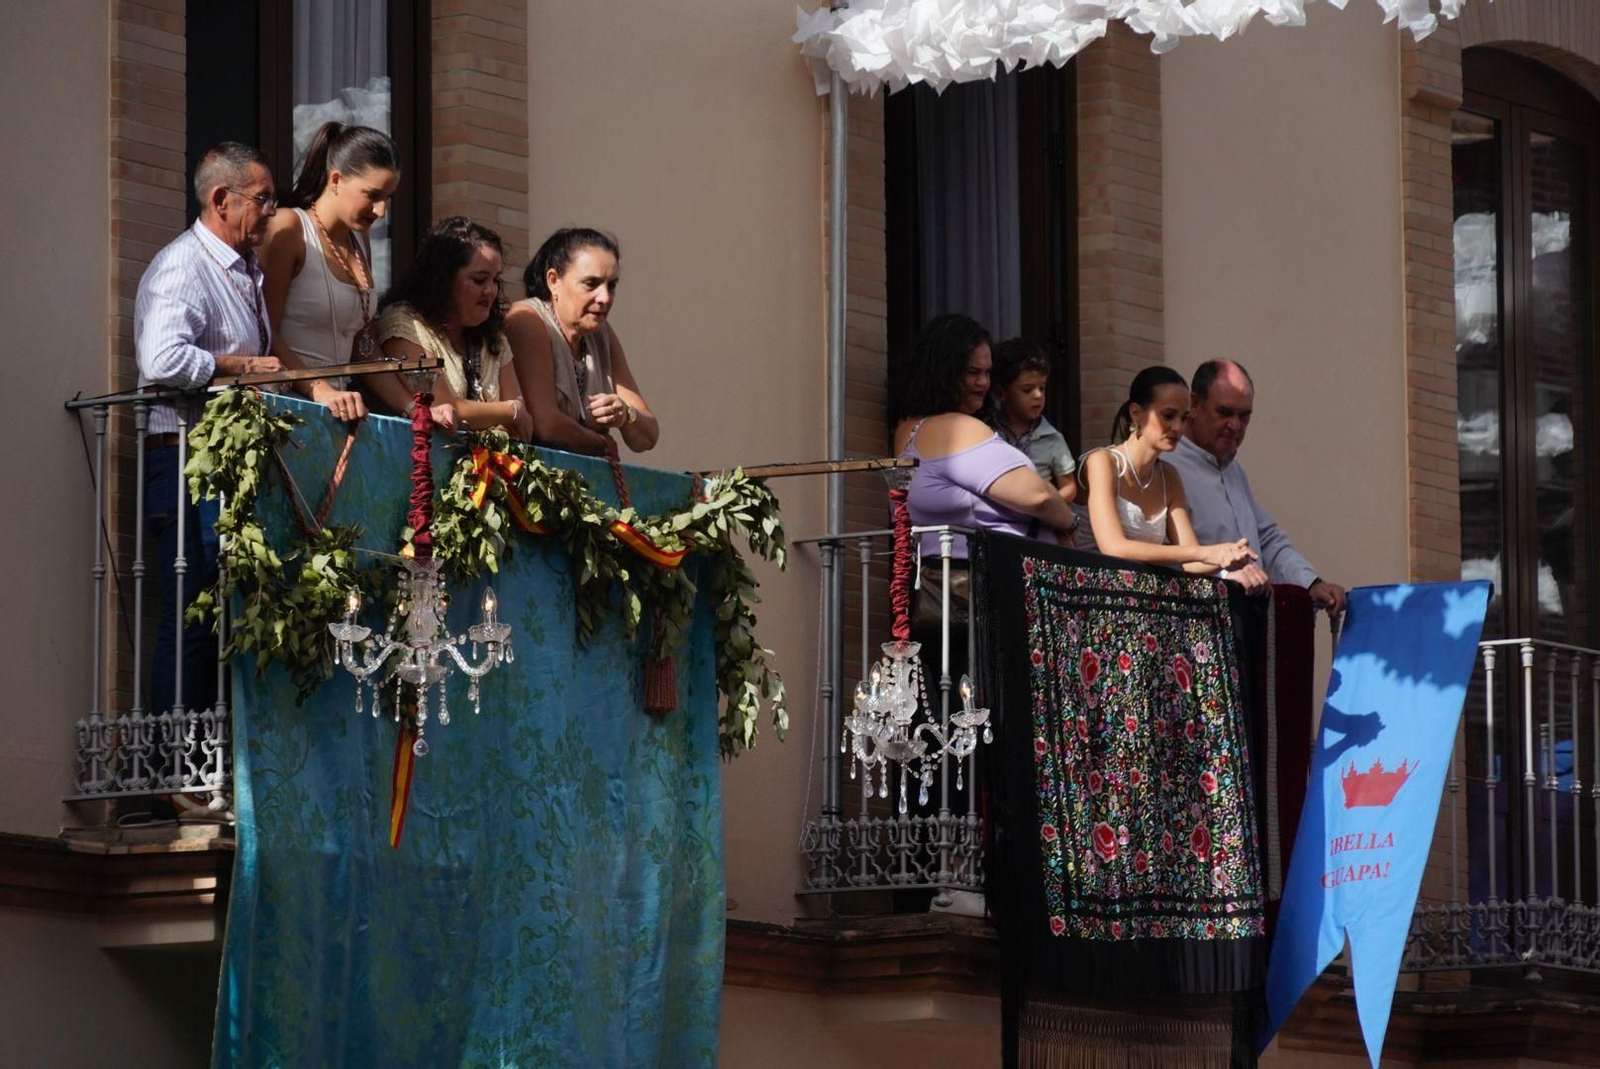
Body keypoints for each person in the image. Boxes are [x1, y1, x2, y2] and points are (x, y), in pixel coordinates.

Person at [134, 142, 284, 716]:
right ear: (222, 199)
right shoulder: (183, 266)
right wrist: (242, 367)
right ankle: (173, 757)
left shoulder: (244, 269)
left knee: (220, 613)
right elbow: (161, 359)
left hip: (221, 463)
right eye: (263, 199)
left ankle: (210, 752)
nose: (272, 211)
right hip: (184, 461)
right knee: (193, 615)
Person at [1168, 359, 1348, 614]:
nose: (1235, 425)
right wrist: (1225, 577)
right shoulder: (1167, 467)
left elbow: (1266, 540)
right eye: (1225, 412)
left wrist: (1311, 583)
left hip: (1247, 620)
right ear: (1194, 404)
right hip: (1196, 621)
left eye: (1244, 416)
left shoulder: (1233, 470)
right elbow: (1165, 557)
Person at [892, 315, 1077, 564]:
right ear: (943, 372)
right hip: (995, 576)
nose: (983, 382)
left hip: (956, 572)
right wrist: (1069, 524)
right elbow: (1038, 497)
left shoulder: (908, 428)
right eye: (973, 372)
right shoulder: (954, 428)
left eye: (987, 372)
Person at [260, 122, 401, 421]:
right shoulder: (289, 228)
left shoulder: (359, 239)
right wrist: (319, 389)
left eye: (388, 197)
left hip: (338, 412)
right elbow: (263, 332)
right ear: (336, 179)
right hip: (286, 410)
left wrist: (415, 408)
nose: (381, 211)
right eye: (373, 195)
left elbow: (363, 348)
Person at [1077, 366, 1256, 575]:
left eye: (1184, 418)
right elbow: (1114, 547)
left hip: (1135, 591)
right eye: (1168, 416)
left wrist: (1226, 556)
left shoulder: (1168, 476)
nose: (1178, 427)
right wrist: (1204, 553)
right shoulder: (1102, 462)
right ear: (1136, 414)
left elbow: (1190, 562)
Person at [370, 217, 530, 437]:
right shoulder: (404, 323)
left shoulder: (494, 338)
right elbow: (441, 407)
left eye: (495, 280)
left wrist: (510, 416)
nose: (491, 291)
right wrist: (510, 410)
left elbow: (521, 428)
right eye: (479, 280)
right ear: (443, 279)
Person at [506, 228, 658, 457]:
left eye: (612, 286)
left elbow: (648, 436)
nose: (605, 298)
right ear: (553, 281)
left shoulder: (602, 334)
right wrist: (603, 444)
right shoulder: (527, 320)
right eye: (591, 283)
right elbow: (546, 425)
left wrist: (626, 414)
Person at [987, 338, 1077, 504]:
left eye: (1042, 388)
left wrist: (1047, 503)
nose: (1038, 395)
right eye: (1027, 390)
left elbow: (1069, 486)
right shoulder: (986, 432)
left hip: (1037, 516)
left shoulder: (1052, 438)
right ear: (1000, 393)